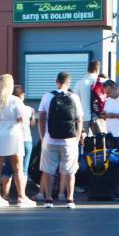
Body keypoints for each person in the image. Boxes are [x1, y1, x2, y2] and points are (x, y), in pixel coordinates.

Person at [0, 75, 36, 208]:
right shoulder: (15, 100)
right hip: (13, 133)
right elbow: (21, 118)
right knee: (17, 166)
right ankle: (21, 197)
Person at [38, 72, 83, 209]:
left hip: (50, 140)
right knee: (70, 170)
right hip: (69, 141)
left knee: (48, 170)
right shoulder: (74, 97)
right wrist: (76, 138)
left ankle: (48, 199)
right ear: (68, 83)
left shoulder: (47, 96)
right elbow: (79, 120)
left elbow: (41, 118)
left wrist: (43, 136)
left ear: (56, 82)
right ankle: (70, 199)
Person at [1, 85, 35, 199]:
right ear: (22, 95)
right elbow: (32, 124)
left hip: (11, 140)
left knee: (8, 169)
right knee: (23, 169)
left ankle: (5, 195)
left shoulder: (6, 107)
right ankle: (22, 196)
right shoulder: (29, 109)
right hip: (26, 139)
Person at [73, 60, 102, 139]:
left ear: (87, 70)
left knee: (83, 144)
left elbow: (74, 102)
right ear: (97, 70)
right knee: (101, 144)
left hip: (83, 118)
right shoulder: (101, 83)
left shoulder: (79, 83)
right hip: (99, 118)